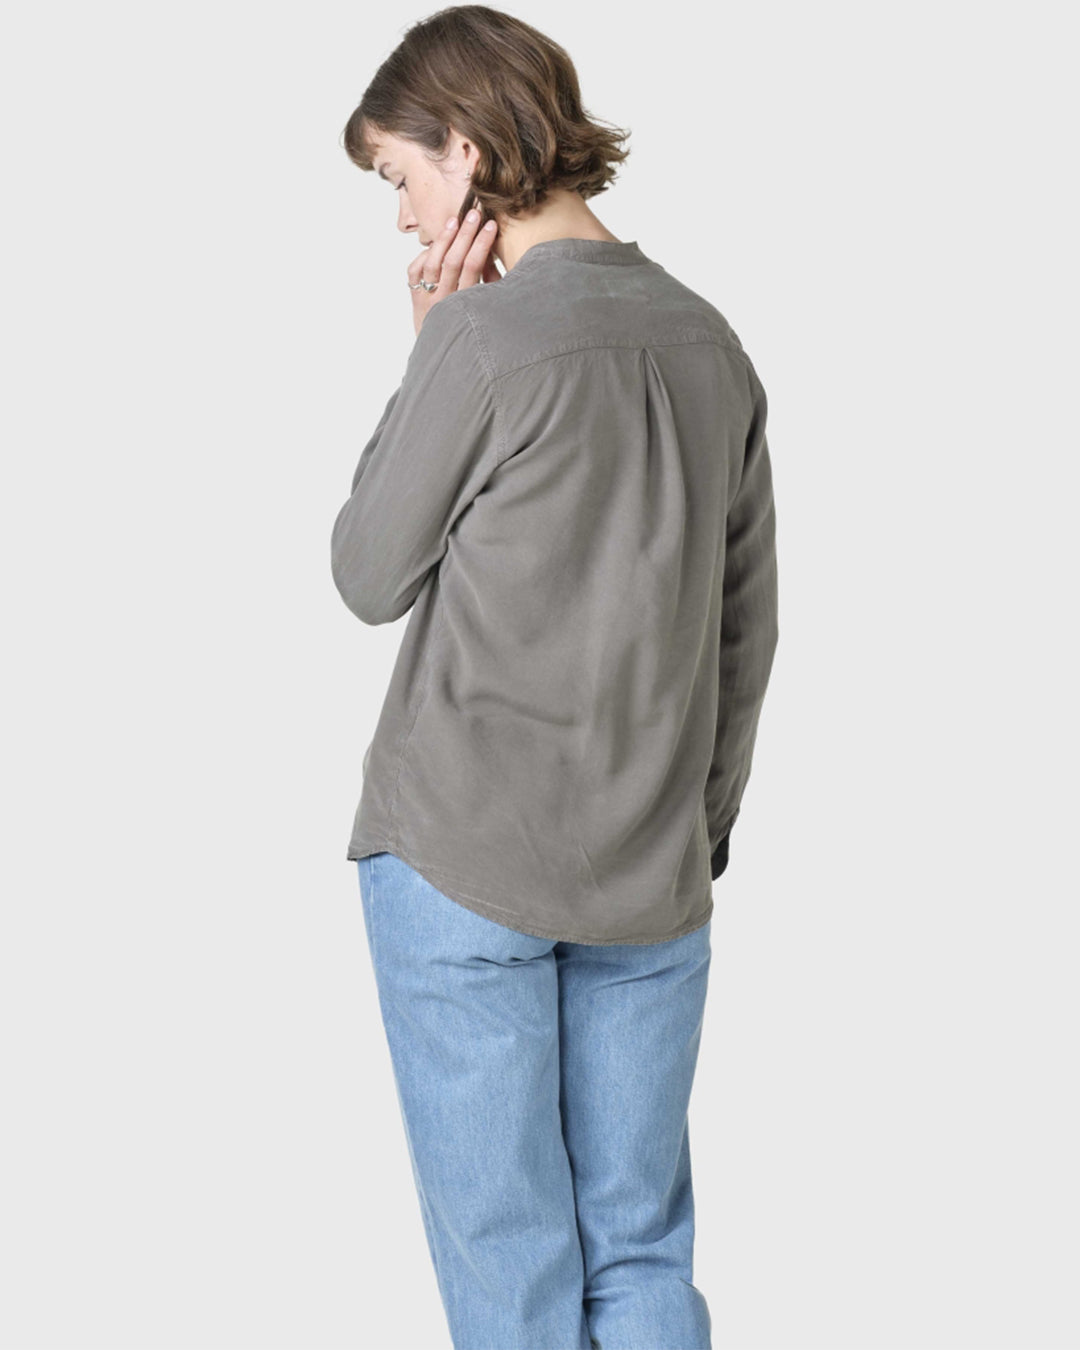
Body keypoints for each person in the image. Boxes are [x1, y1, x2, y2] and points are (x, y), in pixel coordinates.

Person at [331, 7, 780, 1348]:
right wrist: (694, 832)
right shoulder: (710, 344)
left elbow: (367, 572)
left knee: (511, 1272)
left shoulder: (478, 342)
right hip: (652, 877)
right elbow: (746, 629)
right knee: (641, 1250)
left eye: (400, 176)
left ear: (464, 153)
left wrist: (428, 350)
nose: (403, 217)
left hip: (461, 860)